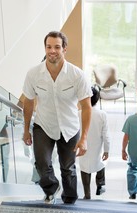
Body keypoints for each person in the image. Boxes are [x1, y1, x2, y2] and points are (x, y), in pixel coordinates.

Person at [22, 31, 92, 204]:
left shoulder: (77, 75)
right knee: (41, 164)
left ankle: (69, 200)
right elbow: (28, 103)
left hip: (69, 127)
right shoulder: (33, 74)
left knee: (67, 168)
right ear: (45, 48)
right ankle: (52, 188)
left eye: (57, 47)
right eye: (49, 47)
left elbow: (86, 107)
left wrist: (83, 138)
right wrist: (25, 130)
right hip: (43, 125)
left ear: (64, 49)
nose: (52, 51)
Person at [78, 86, 110, 199]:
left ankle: (87, 194)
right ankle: (100, 185)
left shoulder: (79, 113)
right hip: (97, 146)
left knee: (84, 168)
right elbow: (106, 135)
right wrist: (107, 150)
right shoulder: (102, 114)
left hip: (83, 146)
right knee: (100, 162)